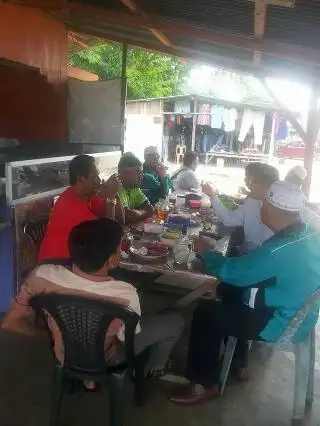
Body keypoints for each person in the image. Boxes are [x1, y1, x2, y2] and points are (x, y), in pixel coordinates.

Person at [170, 180, 320, 405]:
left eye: (263, 204)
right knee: (227, 291)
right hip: (303, 313)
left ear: (270, 209)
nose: (260, 208)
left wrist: (206, 253)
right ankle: (240, 361)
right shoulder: (309, 234)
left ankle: (202, 384)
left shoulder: (278, 250)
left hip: (281, 322)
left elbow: (233, 271)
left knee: (205, 313)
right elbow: (251, 270)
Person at [2, 219, 184, 382]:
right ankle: (153, 370)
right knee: (176, 321)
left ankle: (88, 381)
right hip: (108, 357)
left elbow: (10, 323)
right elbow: (128, 335)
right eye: (120, 248)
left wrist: (49, 336)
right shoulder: (126, 294)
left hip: (65, 354)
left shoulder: (41, 275)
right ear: (112, 260)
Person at [38, 154, 124, 263]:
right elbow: (109, 239)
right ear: (80, 179)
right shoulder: (70, 206)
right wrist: (110, 197)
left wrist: (114, 193)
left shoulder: (87, 196)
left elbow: (121, 220)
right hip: (56, 266)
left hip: (76, 261)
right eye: (95, 177)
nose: (99, 180)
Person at [203, 162, 279, 253]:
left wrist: (212, 195)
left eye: (254, 182)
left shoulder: (275, 208)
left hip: (260, 256)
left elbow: (228, 219)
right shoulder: (253, 202)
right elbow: (230, 219)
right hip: (250, 252)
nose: (250, 185)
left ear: (266, 185)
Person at [117, 153, 154, 223]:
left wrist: (137, 213)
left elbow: (150, 209)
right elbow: (127, 217)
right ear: (123, 174)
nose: (141, 176)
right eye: (137, 173)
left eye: (141, 172)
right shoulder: (116, 189)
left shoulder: (135, 188)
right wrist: (142, 212)